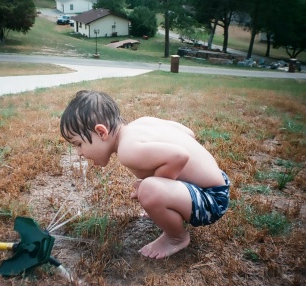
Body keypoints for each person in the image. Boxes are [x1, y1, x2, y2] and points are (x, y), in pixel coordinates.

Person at [60, 90, 230, 259]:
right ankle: (171, 204)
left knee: (149, 189)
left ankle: (176, 238)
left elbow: (179, 156)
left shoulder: (128, 150)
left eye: (78, 144)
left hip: (212, 200)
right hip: (218, 183)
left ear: (102, 132)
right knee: (151, 187)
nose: (79, 153)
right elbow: (187, 132)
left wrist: (156, 183)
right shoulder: (142, 123)